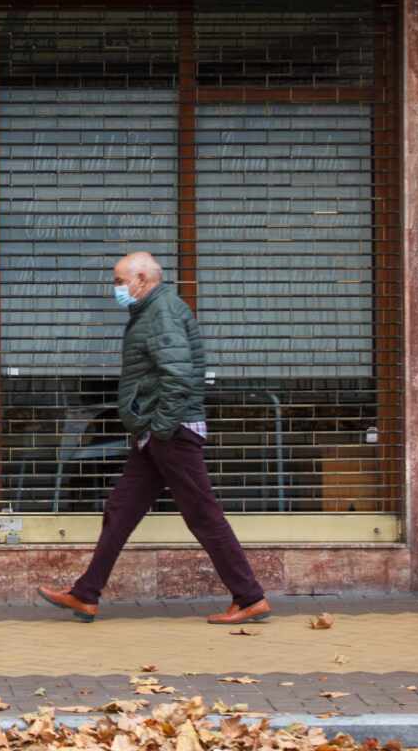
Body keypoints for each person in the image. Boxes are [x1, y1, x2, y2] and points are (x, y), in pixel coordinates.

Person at [37, 252, 270, 625]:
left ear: (142, 278)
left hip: (170, 431)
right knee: (121, 509)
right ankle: (85, 594)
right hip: (156, 431)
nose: (115, 289)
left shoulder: (161, 313)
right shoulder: (148, 312)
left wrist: (160, 427)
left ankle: (250, 597)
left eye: (119, 281)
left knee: (203, 515)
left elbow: (177, 376)